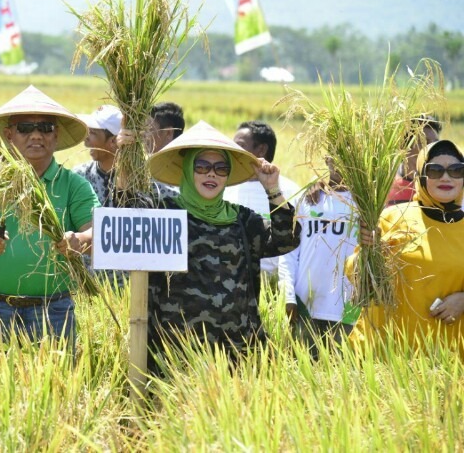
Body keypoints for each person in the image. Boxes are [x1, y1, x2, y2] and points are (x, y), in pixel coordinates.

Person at [0, 85, 99, 353]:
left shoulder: (73, 185)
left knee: (55, 390)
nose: (36, 135)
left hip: (53, 309)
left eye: (45, 128)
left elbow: (99, 235)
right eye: (25, 128)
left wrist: (79, 240)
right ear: (9, 135)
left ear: (56, 135)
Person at [146, 120, 300, 372]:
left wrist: (272, 189)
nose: (211, 174)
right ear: (187, 169)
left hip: (235, 350)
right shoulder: (165, 213)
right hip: (175, 350)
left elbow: (287, 239)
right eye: (202, 166)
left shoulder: (242, 219)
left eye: (220, 168)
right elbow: (125, 212)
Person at [350, 140, 464, 358]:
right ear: (421, 175)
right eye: (435, 170)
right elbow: (357, 278)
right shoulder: (393, 218)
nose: (446, 177)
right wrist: (369, 252)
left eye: (456, 170)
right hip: (383, 352)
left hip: (446, 358)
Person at [279, 157, 358, 348]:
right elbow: (289, 252)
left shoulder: (367, 203)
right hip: (305, 307)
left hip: (349, 311)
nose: (342, 157)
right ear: (328, 158)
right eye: (337, 151)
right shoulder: (308, 197)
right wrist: (289, 296)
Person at [224, 120, 300, 276]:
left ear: (261, 149)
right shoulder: (224, 188)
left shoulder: (291, 191)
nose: (232, 151)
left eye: (239, 145)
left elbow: (291, 242)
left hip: (277, 289)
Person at [386, 114, 441, 205]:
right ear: (403, 147)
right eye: (423, 142)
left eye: (435, 143)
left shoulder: (447, 185)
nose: (431, 148)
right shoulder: (385, 188)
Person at [73, 104, 122, 206]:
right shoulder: (79, 176)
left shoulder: (140, 181)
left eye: (93, 133)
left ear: (113, 141)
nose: (86, 137)